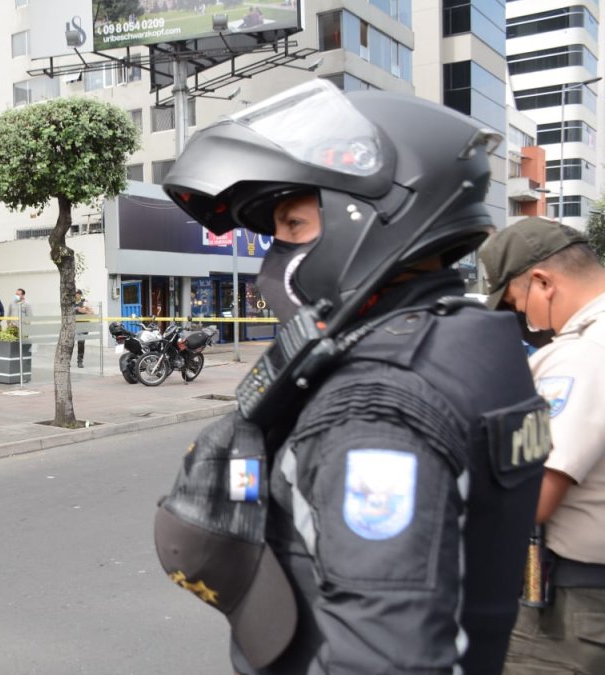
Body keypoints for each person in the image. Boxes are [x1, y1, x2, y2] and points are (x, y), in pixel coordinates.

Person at [153, 80, 548, 674]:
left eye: (292, 227)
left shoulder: (375, 409)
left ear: (372, 216)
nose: (273, 257)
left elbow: (388, 656)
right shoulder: (466, 340)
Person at [477, 217, 605, 674]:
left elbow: (534, 494)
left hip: (574, 609)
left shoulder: (581, 354)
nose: (523, 321)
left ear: (543, 282)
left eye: (516, 304)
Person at [73, 289, 93, 367]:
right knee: (70, 343)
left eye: (77, 294)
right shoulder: (72, 303)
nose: (75, 295)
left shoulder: (85, 302)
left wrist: (82, 310)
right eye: (74, 294)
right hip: (74, 325)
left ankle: (80, 361)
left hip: (82, 325)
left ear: (80, 295)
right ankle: (67, 361)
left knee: (81, 343)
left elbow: (91, 313)